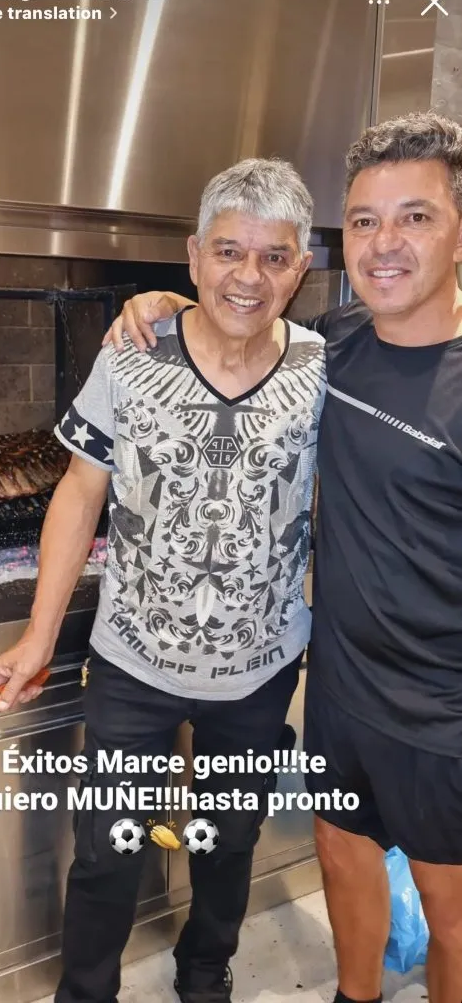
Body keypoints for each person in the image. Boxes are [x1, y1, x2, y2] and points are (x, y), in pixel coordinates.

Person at [103, 111, 462, 1003]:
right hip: (338, 685)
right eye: (365, 220)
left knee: (451, 910)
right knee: (341, 858)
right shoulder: (333, 345)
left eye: (415, 217)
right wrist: (159, 304)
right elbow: (238, 315)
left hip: (444, 710)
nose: (384, 243)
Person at [0, 158, 327, 1003]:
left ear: (300, 268)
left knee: (228, 841)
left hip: (258, 669)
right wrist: (37, 636)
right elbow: (78, 492)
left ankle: (203, 972)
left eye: (273, 257)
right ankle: (86, 991)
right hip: (132, 662)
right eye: (228, 252)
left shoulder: (325, 368)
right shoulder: (130, 355)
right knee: (107, 847)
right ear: (194, 256)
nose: (248, 277)